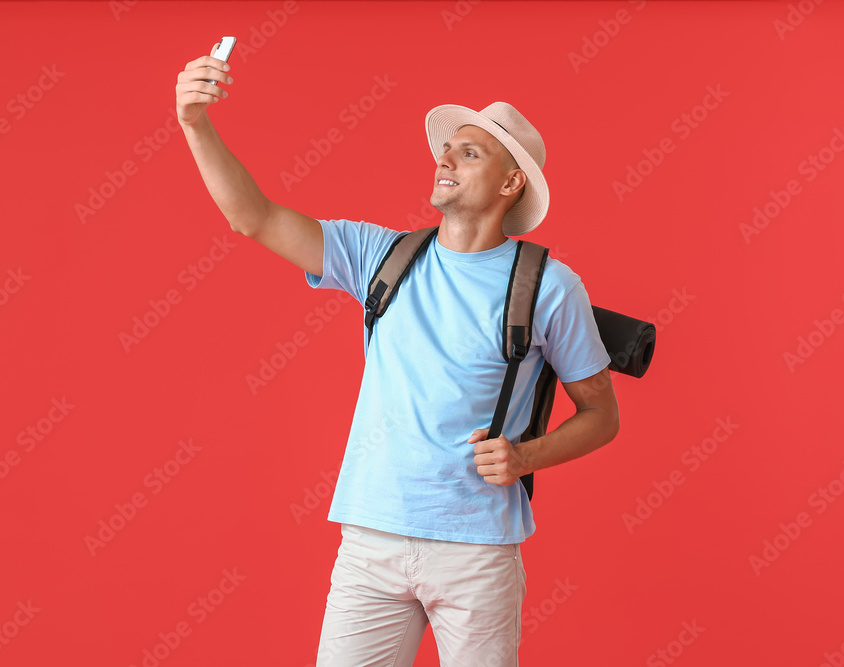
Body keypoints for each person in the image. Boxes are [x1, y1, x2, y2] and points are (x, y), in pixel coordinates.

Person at [176, 44, 620, 667]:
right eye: (447, 150)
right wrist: (196, 123)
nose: (446, 160)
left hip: (476, 552)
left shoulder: (548, 285)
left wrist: (526, 455)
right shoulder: (381, 258)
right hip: (371, 540)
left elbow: (603, 414)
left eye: (471, 153)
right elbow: (253, 217)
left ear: (509, 182)